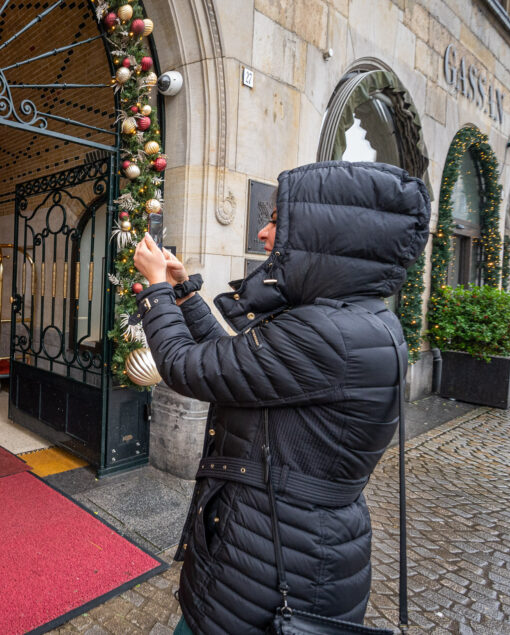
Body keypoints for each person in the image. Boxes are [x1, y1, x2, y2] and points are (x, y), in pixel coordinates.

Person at [131, 161, 429, 635]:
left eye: (278, 222)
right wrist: (185, 294)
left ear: (324, 237)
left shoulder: (327, 332)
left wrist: (155, 291)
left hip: (273, 563)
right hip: (278, 544)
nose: (265, 234)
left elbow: (190, 368)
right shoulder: (350, 319)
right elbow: (239, 361)